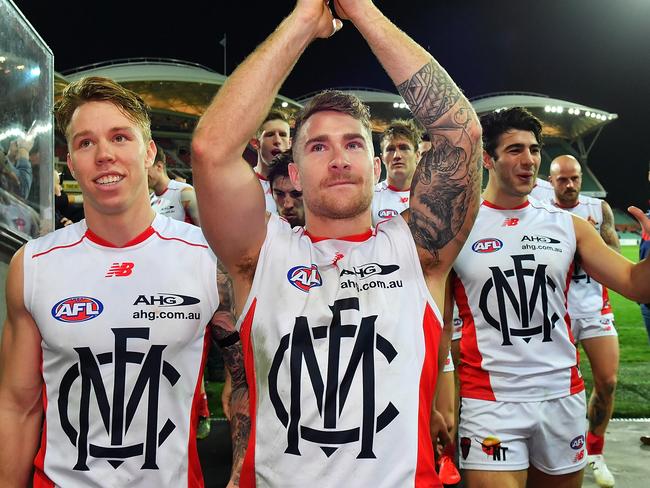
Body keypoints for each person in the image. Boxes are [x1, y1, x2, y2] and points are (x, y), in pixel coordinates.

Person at [191, 1, 482, 486]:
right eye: (319, 146)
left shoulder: (418, 249)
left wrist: (362, 10)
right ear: (295, 174)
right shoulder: (261, 255)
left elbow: (461, 135)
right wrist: (305, 18)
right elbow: (211, 150)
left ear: (377, 164)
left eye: (353, 144)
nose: (340, 159)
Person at [0, 77, 249, 488]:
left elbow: (244, 386)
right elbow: (17, 407)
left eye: (120, 137)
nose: (104, 155)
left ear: (150, 152)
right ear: (71, 162)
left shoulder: (208, 259)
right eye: (85, 143)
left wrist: (238, 476)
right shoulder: (34, 265)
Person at [450, 107, 649, 488]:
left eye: (534, 149)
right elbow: (441, 323)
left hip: (561, 395)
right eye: (514, 150)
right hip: (491, 402)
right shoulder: (460, 226)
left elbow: (635, 284)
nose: (528, 161)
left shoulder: (567, 226)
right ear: (488, 160)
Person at [548, 154, 619, 488]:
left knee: (607, 381)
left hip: (593, 307)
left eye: (575, 178)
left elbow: (616, 260)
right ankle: (556, 450)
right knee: (555, 386)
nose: (570, 185)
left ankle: (596, 452)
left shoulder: (596, 209)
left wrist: (594, 243)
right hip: (554, 311)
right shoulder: (541, 212)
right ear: (551, 182)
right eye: (563, 179)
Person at [371, 119, 421, 225]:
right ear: (382, 158)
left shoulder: (432, 198)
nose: (397, 156)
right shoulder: (370, 198)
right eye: (390, 149)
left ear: (417, 155)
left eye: (404, 148)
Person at [148, 142, 201, 225]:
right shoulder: (149, 200)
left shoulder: (184, 192)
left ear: (159, 166)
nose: (142, 175)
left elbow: (204, 232)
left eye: (146, 170)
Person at [251, 109, 292, 213]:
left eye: (282, 135)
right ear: (255, 143)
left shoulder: (302, 184)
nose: (277, 141)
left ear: (290, 143)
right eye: (270, 135)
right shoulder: (241, 187)